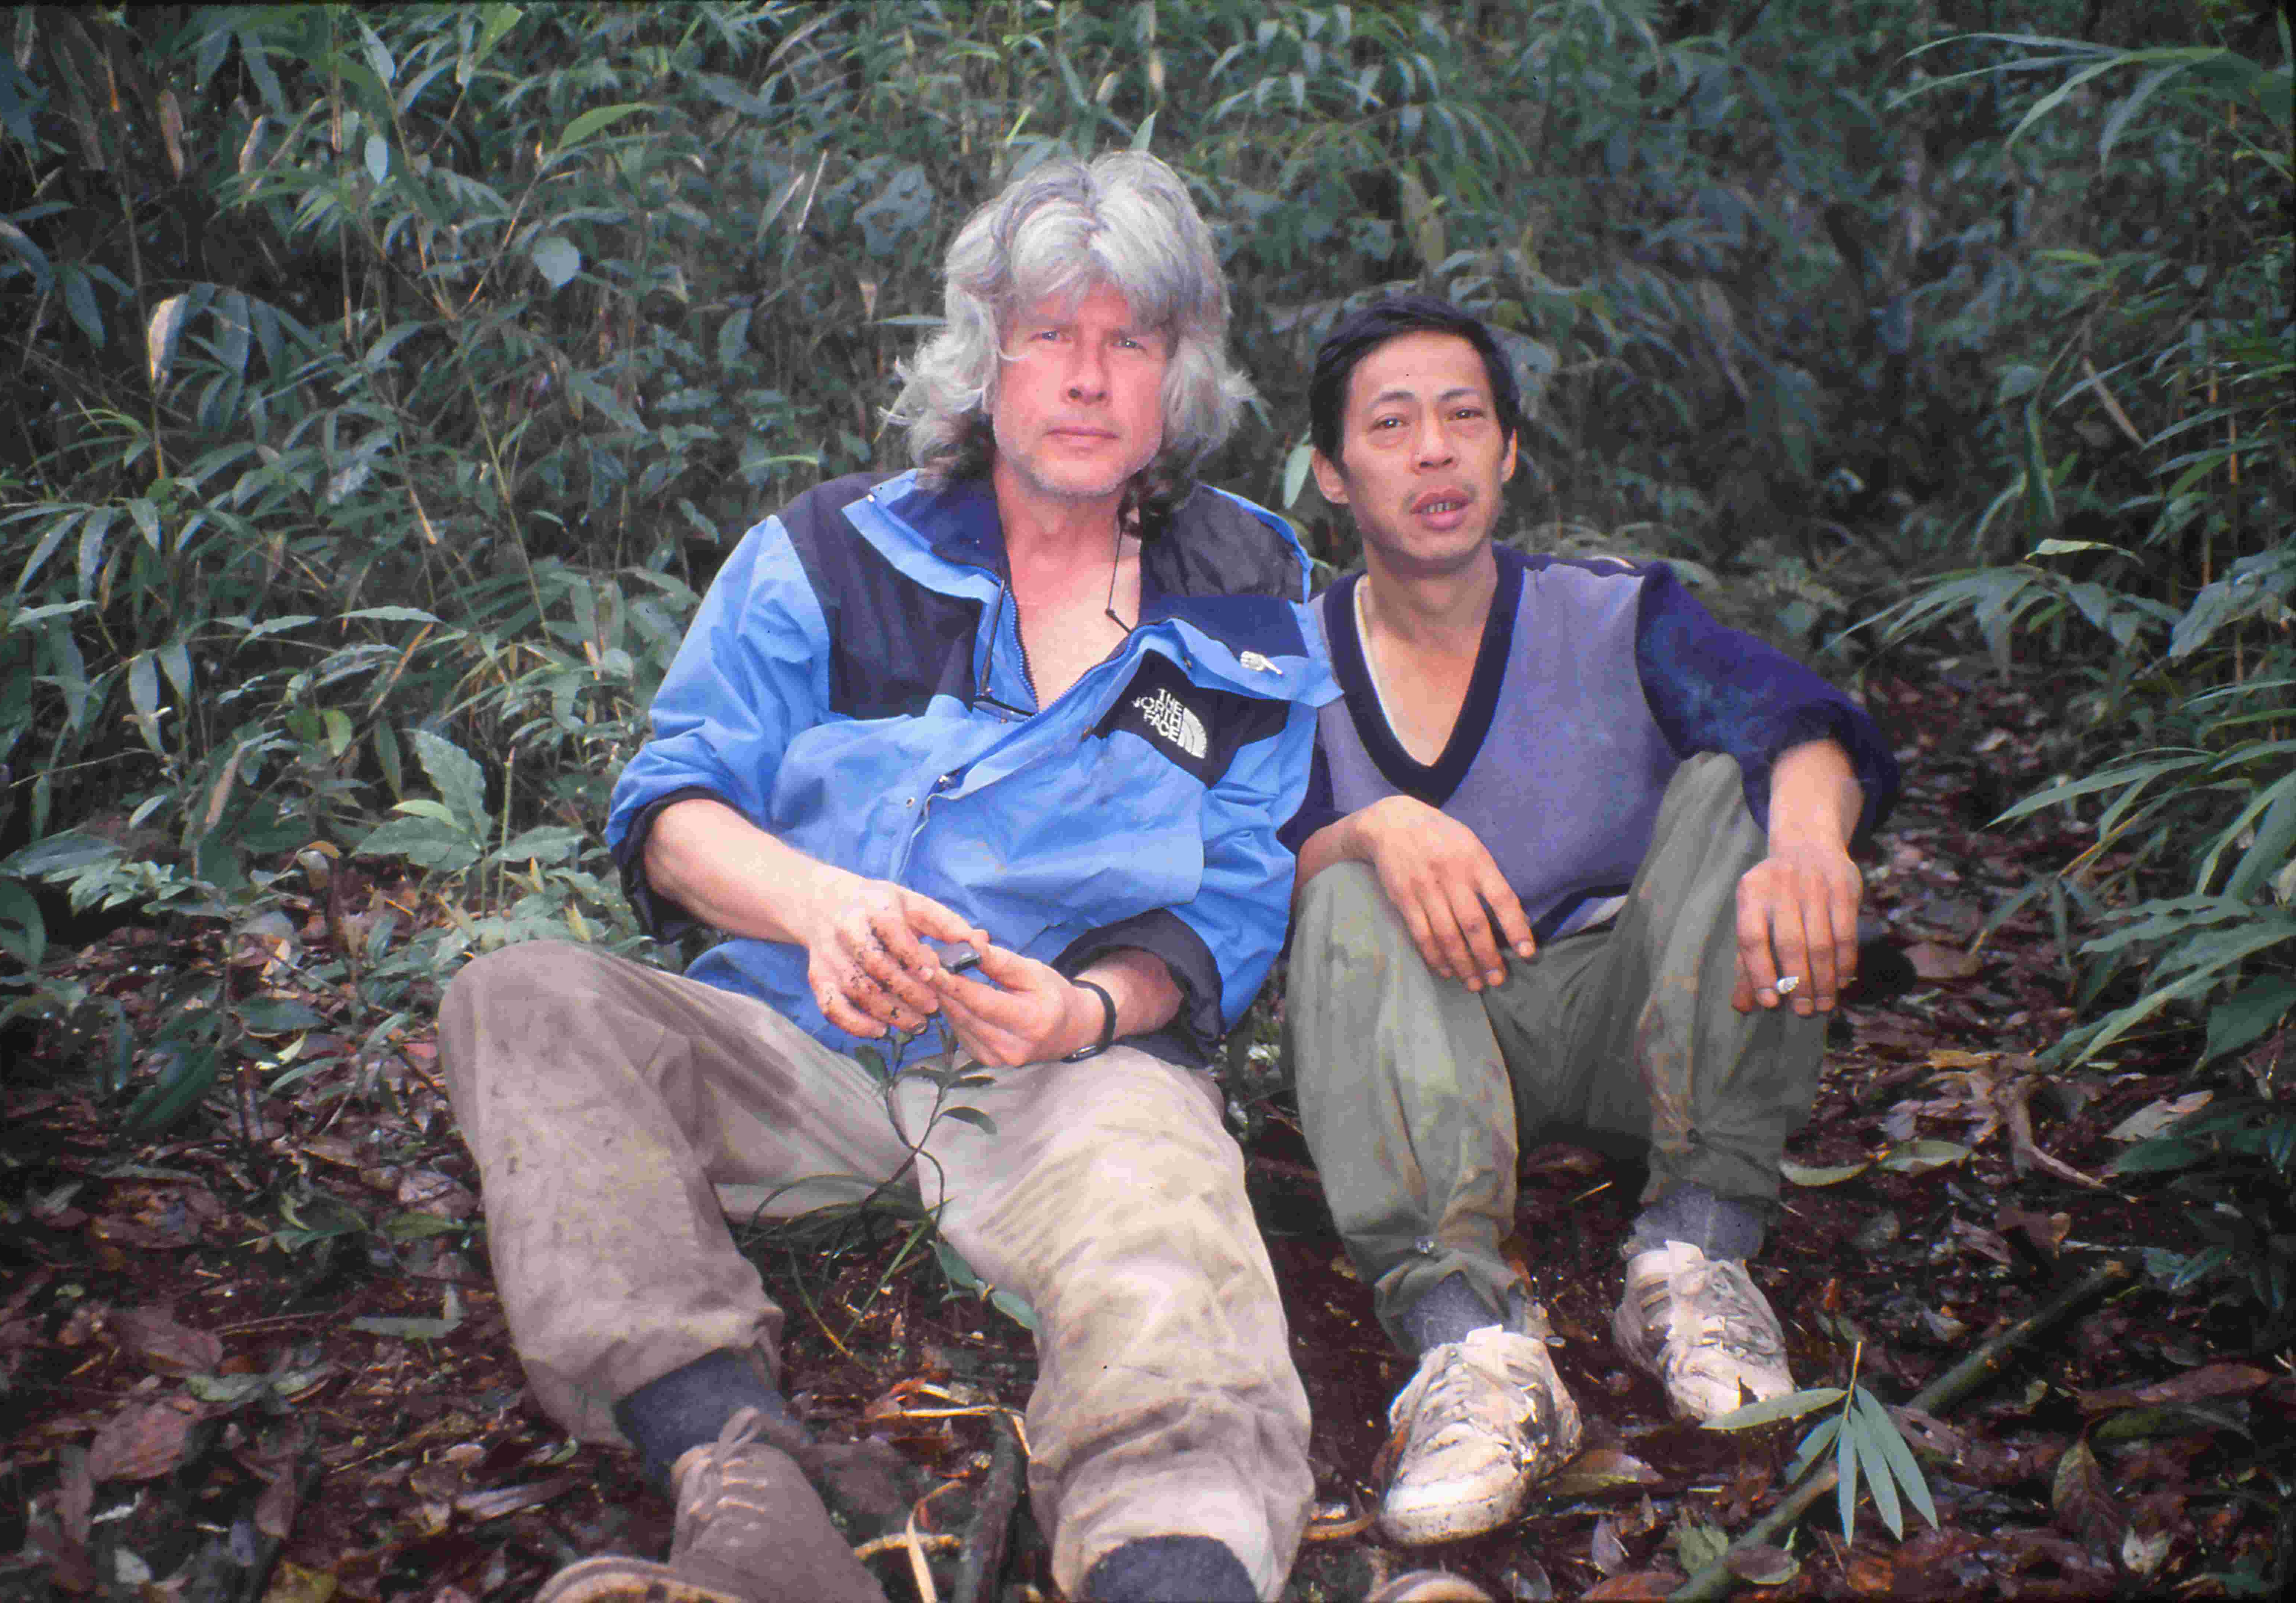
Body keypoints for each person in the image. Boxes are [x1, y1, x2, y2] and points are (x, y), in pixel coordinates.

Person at [438, 152, 1337, 1603]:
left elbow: (1236, 886)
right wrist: (819, 906)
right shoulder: (832, 551)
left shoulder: (1248, 583)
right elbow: (672, 807)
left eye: (1131, 340)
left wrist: (1089, 1010)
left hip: (1061, 1075)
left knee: (1169, 1219)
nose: (1088, 377)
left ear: (1181, 374)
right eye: (1049, 333)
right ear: (984, 354)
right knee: (524, 1000)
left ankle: (1174, 1564)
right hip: (801, 1041)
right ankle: (740, 1486)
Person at [1280, 295, 1900, 1546]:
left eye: (1466, 417)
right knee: (1337, 877)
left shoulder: (1615, 614)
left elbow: (1798, 718)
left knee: (1745, 784)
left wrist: (1807, 842)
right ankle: (1469, 1346)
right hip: (1429, 1057)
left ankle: (1698, 1254)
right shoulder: (1287, 662)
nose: (1435, 451)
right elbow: (1239, 868)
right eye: (1391, 426)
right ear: (1333, 474)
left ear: (1510, 450)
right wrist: (1375, 828)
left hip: (1640, 1024)